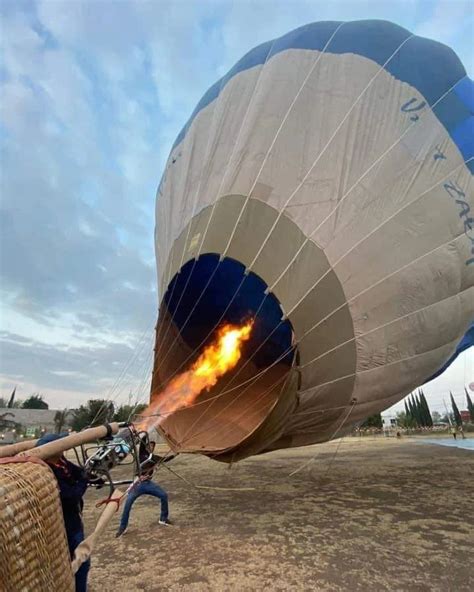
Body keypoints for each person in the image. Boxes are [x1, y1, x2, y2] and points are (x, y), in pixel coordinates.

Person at [36, 433, 92, 592]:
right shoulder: (47, 472)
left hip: (74, 518)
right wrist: (84, 481)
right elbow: (71, 496)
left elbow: (78, 471)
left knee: (76, 560)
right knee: (81, 561)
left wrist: (91, 476)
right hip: (63, 524)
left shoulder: (61, 462)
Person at [116, 440, 173, 537]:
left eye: (153, 446)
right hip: (137, 484)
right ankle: (122, 527)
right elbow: (142, 442)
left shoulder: (153, 457)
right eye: (149, 445)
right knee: (128, 504)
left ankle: (163, 519)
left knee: (163, 495)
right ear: (146, 446)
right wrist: (144, 432)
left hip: (148, 484)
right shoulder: (142, 454)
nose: (151, 447)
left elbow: (165, 459)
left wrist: (175, 454)